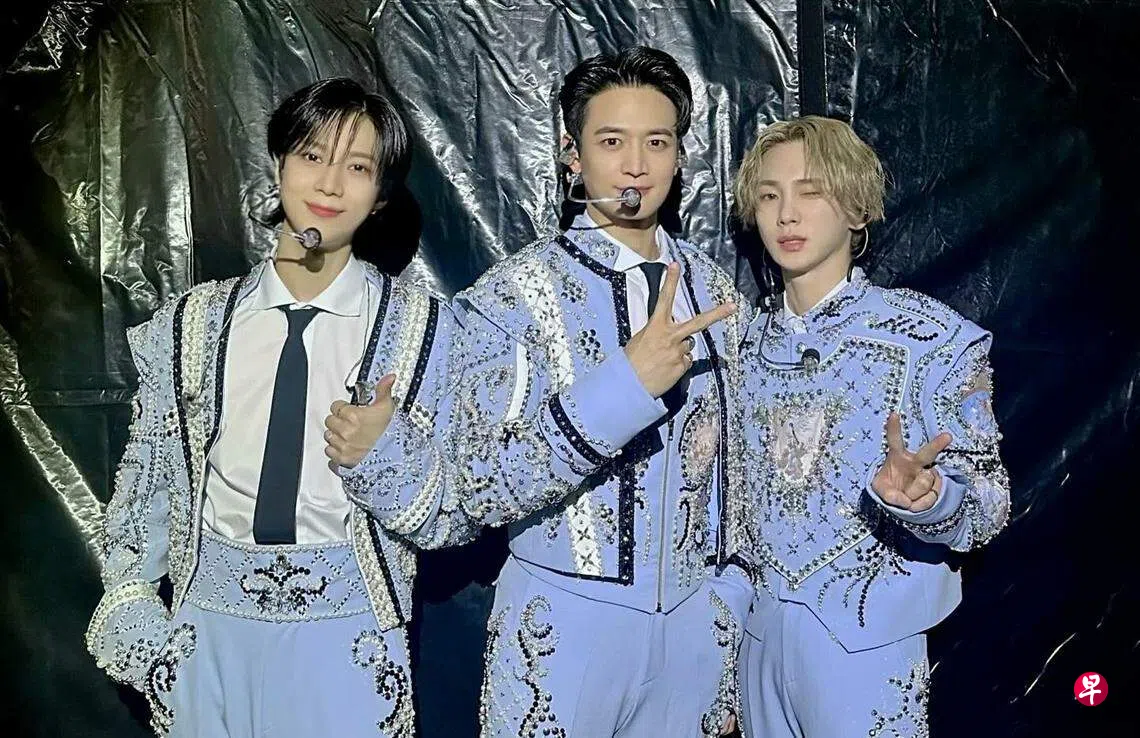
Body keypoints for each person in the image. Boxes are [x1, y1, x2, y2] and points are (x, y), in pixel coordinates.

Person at [85, 77, 451, 737]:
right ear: (279, 161)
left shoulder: (420, 331)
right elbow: (145, 488)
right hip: (208, 637)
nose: (329, 184)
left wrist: (389, 456)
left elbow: (459, 509)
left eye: (358, 167)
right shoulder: (193, 324)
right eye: (311, 155)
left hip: (348, 642)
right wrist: (145, 628)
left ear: (381, 196)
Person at [733, 115, 1010, 737]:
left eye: (811, 192)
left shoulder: (932, 340)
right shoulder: (737, 348)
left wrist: (931, 500)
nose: (787, 215)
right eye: (770, 196)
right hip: (755, 642)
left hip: (870, 642)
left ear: (857, 210)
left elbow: (990, 504)